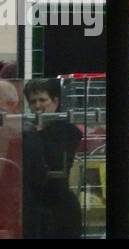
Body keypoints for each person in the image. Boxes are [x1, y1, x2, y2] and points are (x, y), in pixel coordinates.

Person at [22, 78, 83, 239]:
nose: (37, 106)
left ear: (55, 102)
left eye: (42, 100)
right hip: (34, 208)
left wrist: (38, 133)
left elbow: (55, 162)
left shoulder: (68, 131)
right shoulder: (25, 132)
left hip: (60, 208)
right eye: (33, 101)